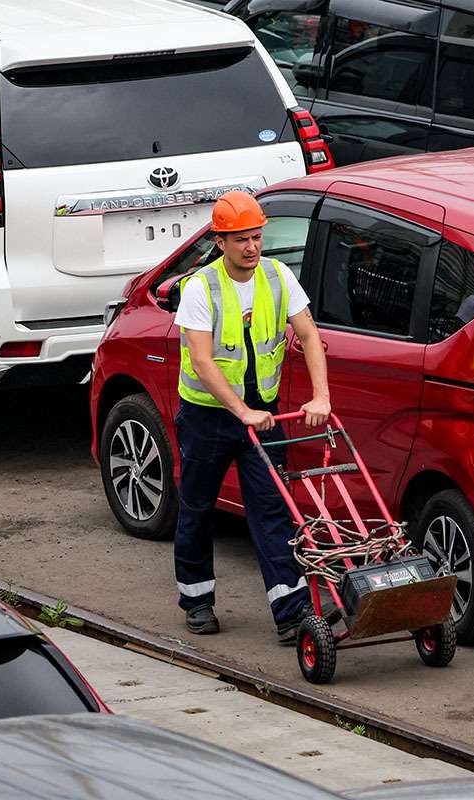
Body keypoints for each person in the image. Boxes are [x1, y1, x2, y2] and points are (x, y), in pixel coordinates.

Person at [172, 191, 331, 642]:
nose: (252, 247)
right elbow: (202, 360)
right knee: (198, 509)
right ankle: (197, 600)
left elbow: (308, 333)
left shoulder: (279, 277)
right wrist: (240, 411)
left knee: (272, 510)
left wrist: (321, 396)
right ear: (220, 241)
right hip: (208, 419)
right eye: (241, 239)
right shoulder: (200, 287)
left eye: (257, 237)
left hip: (265, 417)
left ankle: (291, 612)